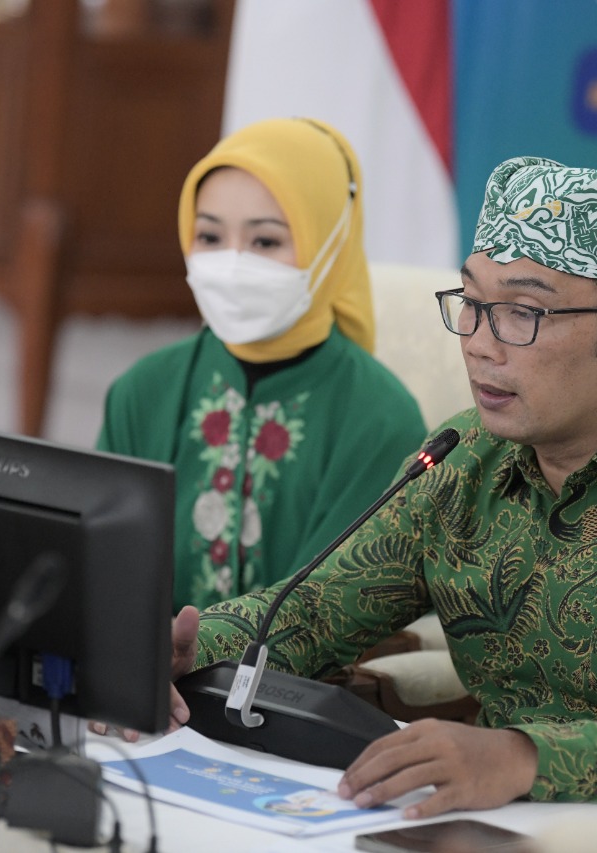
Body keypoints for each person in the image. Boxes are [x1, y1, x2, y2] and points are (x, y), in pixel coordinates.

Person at [163, 156, 597, 816]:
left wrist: (517, 756)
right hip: (505, 815)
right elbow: (314, 613)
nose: (480, 343)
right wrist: (195, 644)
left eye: (520, 312)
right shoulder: (460, 462)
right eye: (472, 303)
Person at [97, 118, 426, 613]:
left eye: (266, 242)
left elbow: (331, 611)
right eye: (209, 236)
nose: (231, 264)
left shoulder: (381, 419)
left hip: (289, 688)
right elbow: (102, 568)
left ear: (329, 246)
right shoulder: (143, 391)